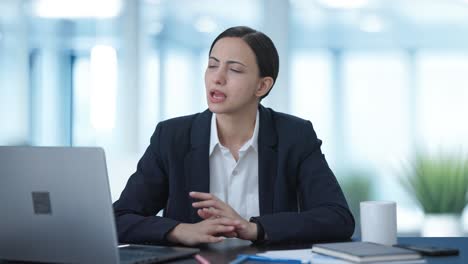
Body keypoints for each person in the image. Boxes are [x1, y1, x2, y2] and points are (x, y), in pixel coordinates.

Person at [113, 26, 354, 246]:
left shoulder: (294, 136)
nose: (217, 77)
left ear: (262, 86)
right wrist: (180, 230)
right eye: (212, 65)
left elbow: (337, 218)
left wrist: (254, 229)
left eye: (235, 69)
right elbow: (118, 218)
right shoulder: (171, 137)